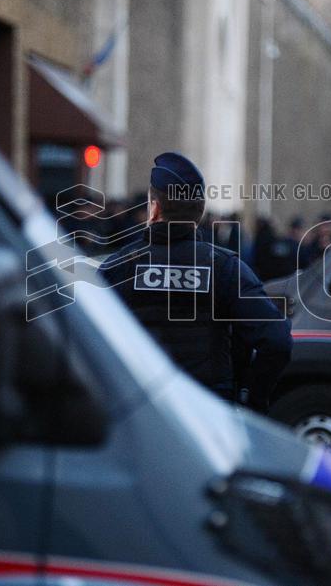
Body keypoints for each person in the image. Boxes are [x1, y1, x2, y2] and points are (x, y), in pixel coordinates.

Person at [99, 153, 291, 411]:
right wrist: (251, 399)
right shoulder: (225, 267)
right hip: (207, 411)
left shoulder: (119, 265)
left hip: (139, 408)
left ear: (154, 208)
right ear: (199, 212)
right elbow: (277, 341)